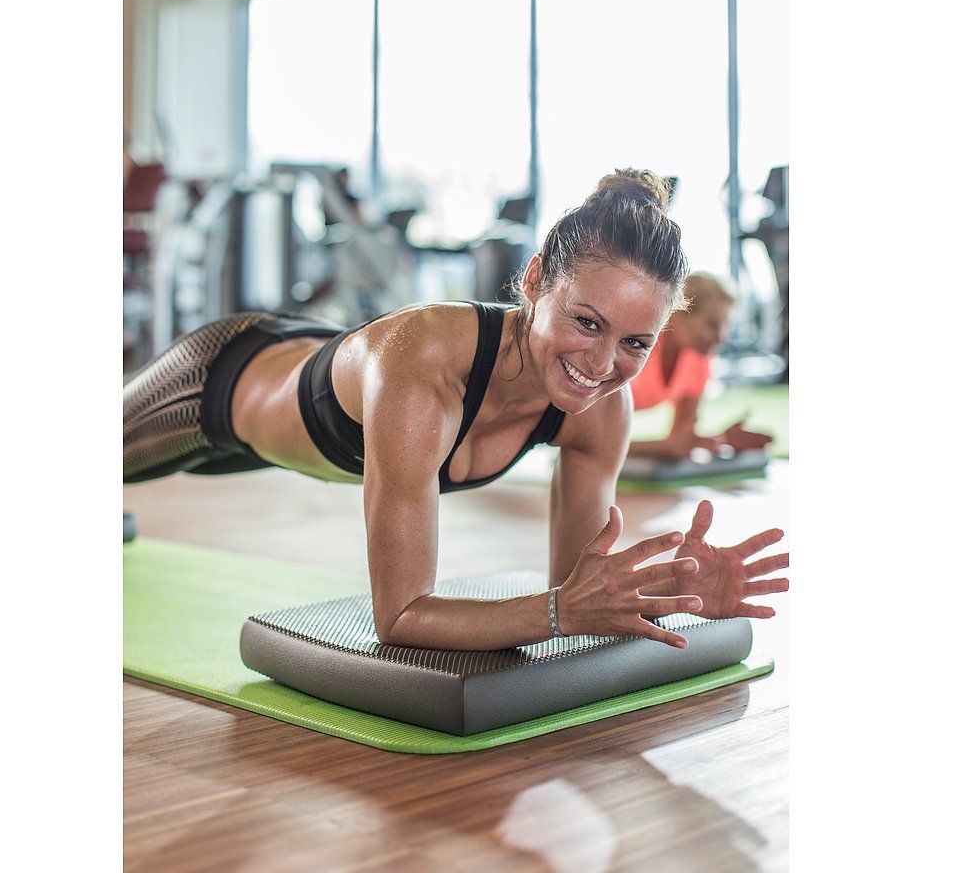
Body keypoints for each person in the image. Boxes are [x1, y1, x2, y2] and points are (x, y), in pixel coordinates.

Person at [124, 169, 788, 651]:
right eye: (586, 322)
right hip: (219, 381)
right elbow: (403, 616)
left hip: (296, 414)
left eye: (634, 343)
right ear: (533, 283)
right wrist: (557, 611)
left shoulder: (599, 407)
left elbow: (579, 587)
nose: (602, 363)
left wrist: (668, 593)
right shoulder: (422, 367)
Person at [627, 272, 775, 460]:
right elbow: (591, 441)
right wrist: (663, 447)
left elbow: (679, 441)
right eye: (711, 325)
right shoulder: (635, 347)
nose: (721, 337)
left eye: (725, 325)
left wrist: (722, 440)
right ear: (677, 314)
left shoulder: (699, 362)